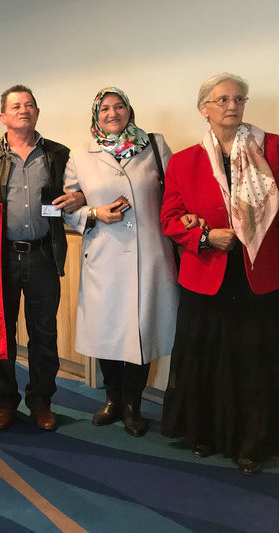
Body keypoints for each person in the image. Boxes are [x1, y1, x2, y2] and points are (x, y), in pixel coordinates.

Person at [160, 73, 279, 475]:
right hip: (206, 275)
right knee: (206, 359)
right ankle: (206, 433)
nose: (232, 105)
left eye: (239, 98)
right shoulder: (183, 161)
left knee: (254, 361)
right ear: (204, 109)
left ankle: (253, 443)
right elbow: (171, 220)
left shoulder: (274, 149)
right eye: (222, 99)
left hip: (258, 276)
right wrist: (207, 236)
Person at [0, 85, 84, 431]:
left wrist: (80, 196)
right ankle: (5, 401)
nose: (23, 110)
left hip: (43, 254)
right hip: (1, 258)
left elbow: (80, 189)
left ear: (38, 113)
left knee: (45, 334)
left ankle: (41, 402)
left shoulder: (59, 154)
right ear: (3, 117)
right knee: (2, 334)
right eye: (16, 106)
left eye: (29, 105)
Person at [62, 87, 178, 437]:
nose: (112, 114)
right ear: (95, 116)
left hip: (150, 258)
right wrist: (93, 212)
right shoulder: (80, 155)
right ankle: (113, 398)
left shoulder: (155, 146)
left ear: (129, 110)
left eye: (119, 107)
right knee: (107, 330)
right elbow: (66, 210)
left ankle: (133, 405)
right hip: (104, 256)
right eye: (104, 109)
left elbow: (175, 195)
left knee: (141, 331)